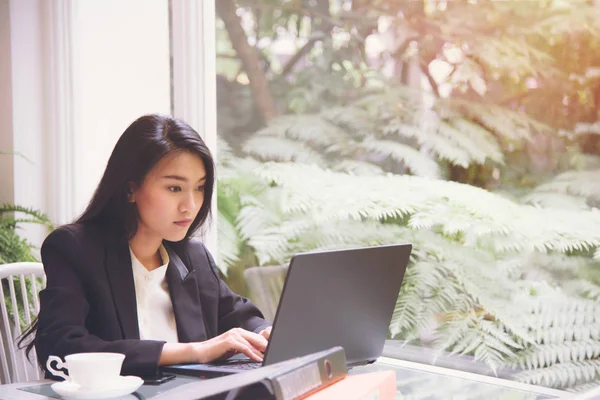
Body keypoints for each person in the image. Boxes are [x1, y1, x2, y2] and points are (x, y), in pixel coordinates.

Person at [20, 114, 272, 378]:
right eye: (175, 188)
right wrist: (194, 351)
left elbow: (239, 314)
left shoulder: (193, 257)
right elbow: (61, 347)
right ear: (130, 189)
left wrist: (264, 333)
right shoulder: (75, 249)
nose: (191, 205)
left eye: (199, 188)